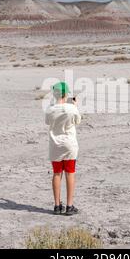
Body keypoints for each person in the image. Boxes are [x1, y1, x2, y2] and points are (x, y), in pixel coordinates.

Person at [45, 82, 81, 216]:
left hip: (55, 145)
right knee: (70, 172)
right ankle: (69, 205)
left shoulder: (50, 109)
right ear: (66, 94)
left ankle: (57, 205)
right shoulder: (71, 108)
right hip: (69, 144)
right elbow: (77, 121)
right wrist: (75, 106)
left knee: (57, 173)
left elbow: (48, 122)